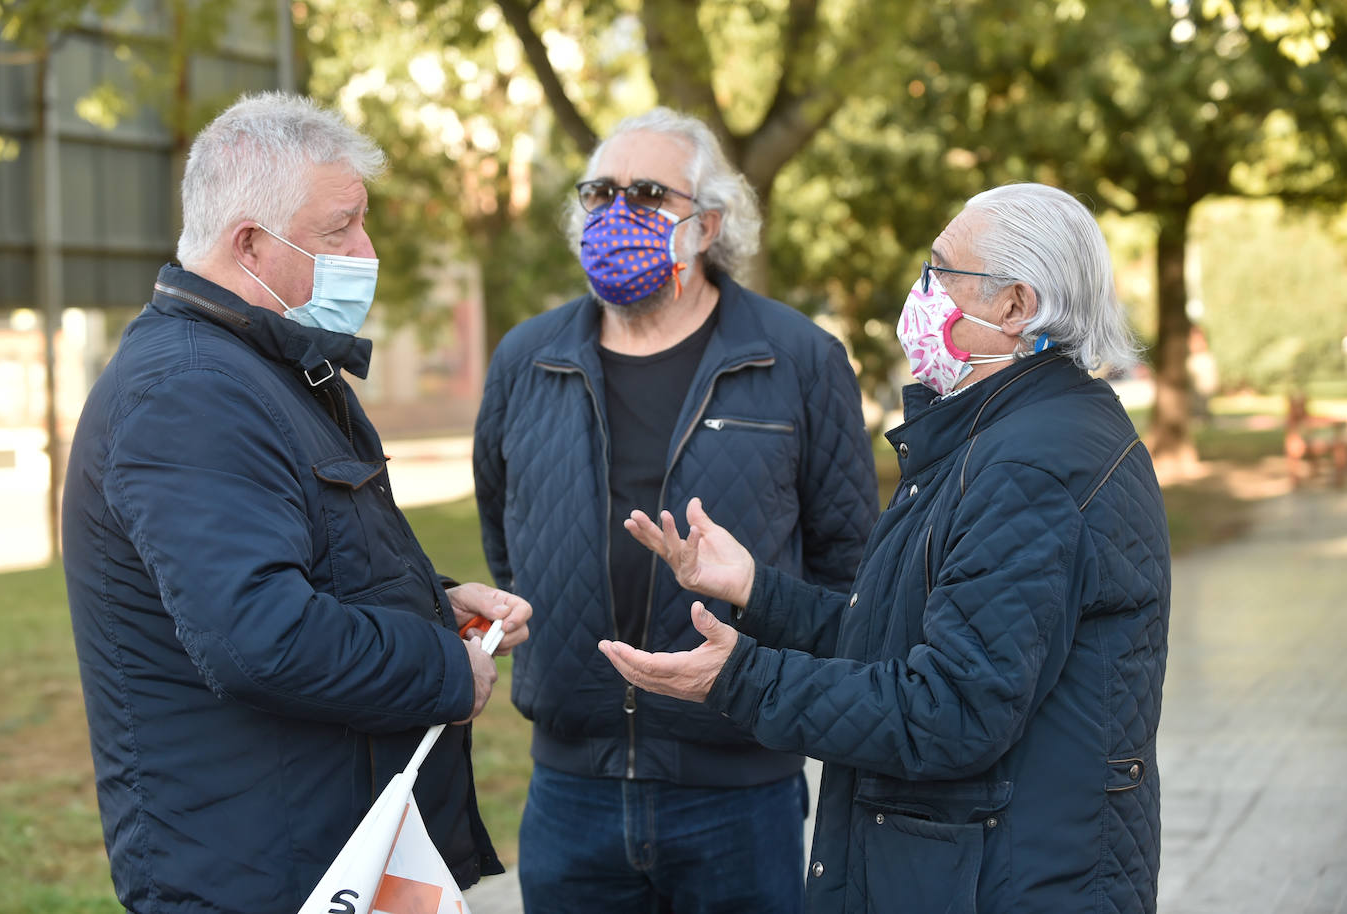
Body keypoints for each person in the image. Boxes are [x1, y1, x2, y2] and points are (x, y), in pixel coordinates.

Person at [602, 183, 1172, 914]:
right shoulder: (994, 436)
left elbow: (950, 711)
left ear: (1015, 307)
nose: (920, 292)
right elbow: (903, 641)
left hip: (1009, 883)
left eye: (940, 271)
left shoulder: (1031, 464)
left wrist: (740, 678)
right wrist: (756, 591)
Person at [61, 92, 531, 914]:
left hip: (331, 853)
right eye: (340, 229)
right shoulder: (190, 392)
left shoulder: (264, 370)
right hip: (261, 876)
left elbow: (305, 562)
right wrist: (442, 668)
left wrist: (436, 605)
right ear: (249, 243)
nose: (366, 250)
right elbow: (259, 637)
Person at [472, 107, 878, 912]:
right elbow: (504, 533)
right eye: (600, 193)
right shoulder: (526, 358)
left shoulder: (798, 358)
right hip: (570, 789)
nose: (617, 213)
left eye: (649, 194)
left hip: (740, 790)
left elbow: (848, 564)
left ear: (708, 226)